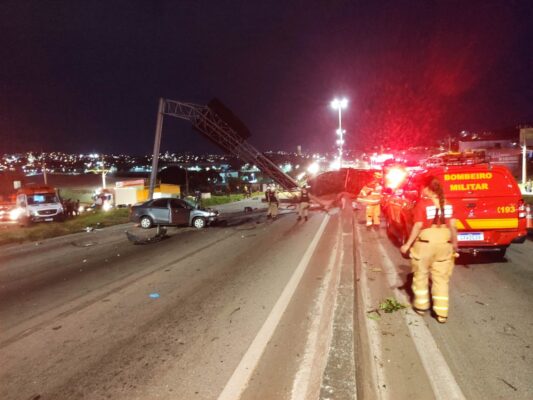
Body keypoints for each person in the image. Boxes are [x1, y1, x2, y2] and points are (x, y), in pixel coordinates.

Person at [400, 176, 458, 324]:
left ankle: (421, 306)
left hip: (425, 244)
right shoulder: (449, 205)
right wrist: (455, 245)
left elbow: (418, 226)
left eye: (423, 188)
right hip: (445, 244)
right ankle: (442, 313)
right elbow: (453, 226)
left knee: (420, 276)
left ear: (428, 188)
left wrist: (407, 244)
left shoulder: (423, 204)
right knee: (441, 280)